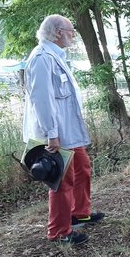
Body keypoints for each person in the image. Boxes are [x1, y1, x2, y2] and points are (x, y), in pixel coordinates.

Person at [23, 14, 105, 245]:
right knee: (61, 178)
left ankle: (79, 213)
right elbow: (42, 100)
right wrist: (52, 134)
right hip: (56, 133)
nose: (73, 35)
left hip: (68, 132)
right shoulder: (42, 58)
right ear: (58, 32)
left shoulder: (56, 56)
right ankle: (59, 231)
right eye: (71, 31)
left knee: (83, 167)